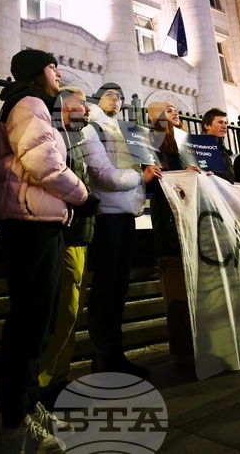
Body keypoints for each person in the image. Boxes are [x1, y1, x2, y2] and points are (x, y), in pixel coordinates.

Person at [0, 50, 97, 453]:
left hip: (33, 219)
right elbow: (42, 162)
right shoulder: (29, 104)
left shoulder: (28, 104)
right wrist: (82, 196)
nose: (58, 73)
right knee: (31, 321)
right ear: (37, 73)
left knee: (37, 320)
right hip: (28, 222)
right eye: (52, 67)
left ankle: (26, 408)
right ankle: (14, 423)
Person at [80, 83, 160, 380]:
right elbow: (103, 176)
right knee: (106, 287)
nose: (117, 99)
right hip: (107, 215)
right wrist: (140, 177)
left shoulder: (125, 131)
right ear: (97, 99)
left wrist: (148, 168)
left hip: (126, 213)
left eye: (120, 95)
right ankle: (104, 355)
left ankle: (112, 354)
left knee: (118, 288)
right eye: (110, 94)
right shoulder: (92, 129)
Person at [37, 86, 97, 408]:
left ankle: (59, 377)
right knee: (64, 311)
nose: (88, 110)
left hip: (82, 237)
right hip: (67, 236)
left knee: (72, 314)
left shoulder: (79, 140)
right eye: (82, 104)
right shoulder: (56, 138)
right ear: (64, 106)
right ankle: (44, 382)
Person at [146, 100, 198, 365]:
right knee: (176, 286)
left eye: (175, 108)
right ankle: (183, 348)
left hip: (189, 219)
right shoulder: (153, 144)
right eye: (168, 109)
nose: (175, 111)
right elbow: (153, 185)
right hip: (169, 222)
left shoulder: (184, 144)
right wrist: (181, 175)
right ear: (157, 117)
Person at [201, 108, 235, 182]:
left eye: (225, 123)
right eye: (220, 122)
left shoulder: (223, 149)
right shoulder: (198, 147)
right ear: (207, 126)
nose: (224, 127)